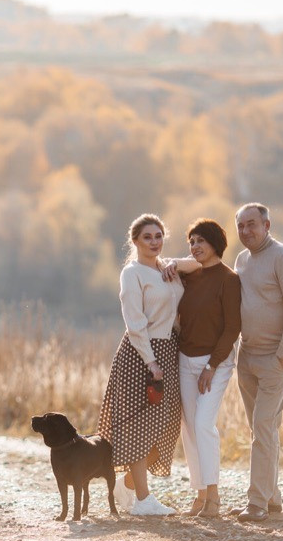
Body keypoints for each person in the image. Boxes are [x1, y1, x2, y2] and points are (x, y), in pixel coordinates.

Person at [98, 214, 200, 516]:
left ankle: (127, 485)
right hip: (141, 355)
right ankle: (143, 500)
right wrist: (151, 362)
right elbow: (134, 324)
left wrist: (175, 264)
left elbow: (199, 263)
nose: (154, 242)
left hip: (170, 349)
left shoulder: (165, 267)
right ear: (135, 241)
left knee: (167, 425)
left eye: (158, 236)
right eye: (147, 237)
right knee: (139, 425)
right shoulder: (132, 274)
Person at [231, 203, 283, 523]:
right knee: (262, 428)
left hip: (276, 358)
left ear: (267, 225)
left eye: (252, 225)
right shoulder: (241, 260)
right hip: (246, 357)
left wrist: (282, 357)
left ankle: (257, 503)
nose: (246, 231)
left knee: (263, 426)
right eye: (241, 226)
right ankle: (272, 497)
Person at [176, 219, 242, 518]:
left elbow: (232, 328)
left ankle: (214, 496)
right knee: (189, 427)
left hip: (216, 362)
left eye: (200, 241)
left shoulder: (229, 279)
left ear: (215, 242)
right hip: (185, 359)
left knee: (203, 423)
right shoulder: (188, 277)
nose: (195, 247)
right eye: (191, 242)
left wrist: (212, 365)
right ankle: (200, 495)